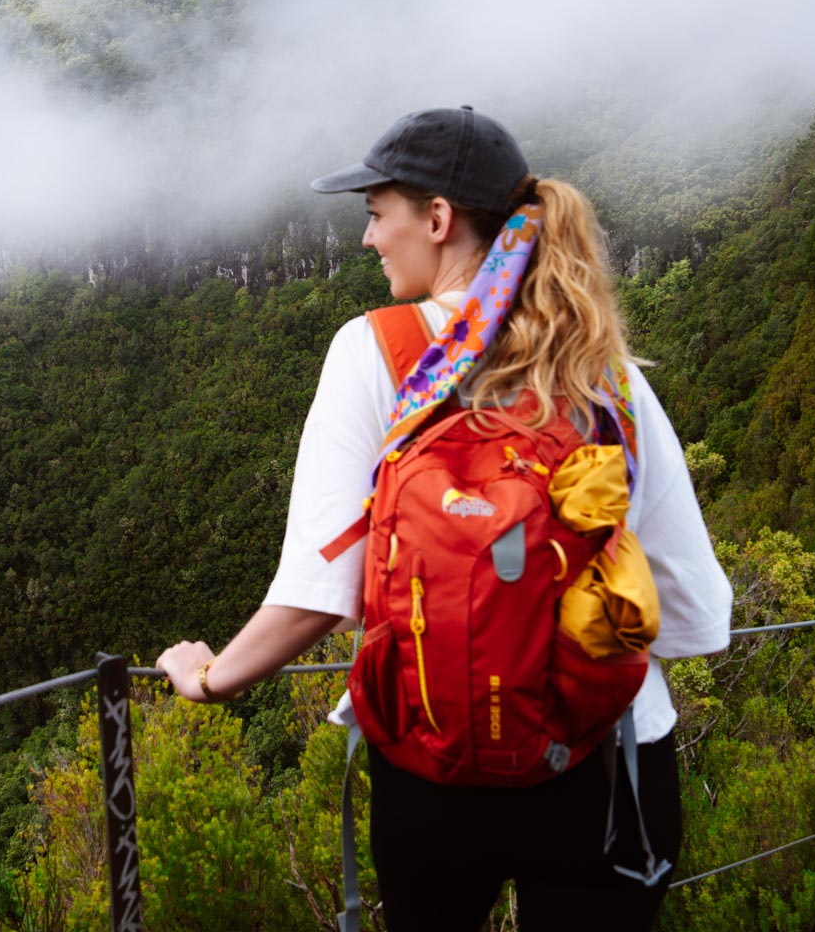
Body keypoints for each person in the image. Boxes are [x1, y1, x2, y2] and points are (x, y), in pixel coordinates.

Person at [153, 106, 733, 931]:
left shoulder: (376, 352)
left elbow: (322, 590)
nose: (367, 240)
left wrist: (210, 678)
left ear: (437, 218)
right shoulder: (604, 376)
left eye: (375, 213)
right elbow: (696, 614)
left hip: (432, 771)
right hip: (608, 764)